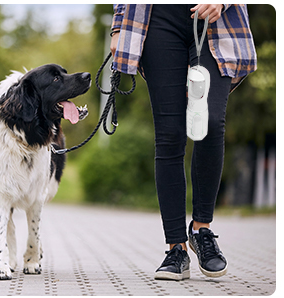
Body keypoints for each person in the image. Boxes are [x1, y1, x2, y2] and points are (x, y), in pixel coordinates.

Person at [109, 4, 257, 280]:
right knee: (170, 134)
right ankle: (176, 248)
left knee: (210, 123)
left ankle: (202, 230)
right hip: (158, 19)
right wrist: (118, 25)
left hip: (216, 20)